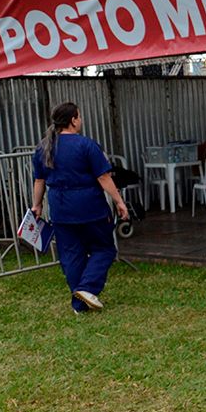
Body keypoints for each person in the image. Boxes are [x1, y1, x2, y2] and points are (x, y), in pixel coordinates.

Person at [32, 102, 130, 313]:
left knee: (70, 255)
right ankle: (86, 289)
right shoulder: (86, 145)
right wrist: (119, 201)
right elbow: (103, 176)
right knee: (104, 249)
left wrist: (37, 205)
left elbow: (39, 181)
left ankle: (80, 304)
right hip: (89, 206)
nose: (81, 120)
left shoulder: (44, 148)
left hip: (60, 208)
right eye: (79, 116)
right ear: (73, 120)